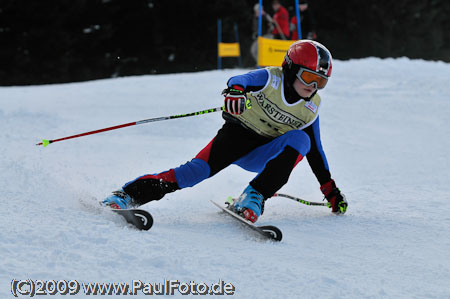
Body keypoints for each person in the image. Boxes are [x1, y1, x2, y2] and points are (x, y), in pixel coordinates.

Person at [103, 40, 348, 223]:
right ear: (291, 68)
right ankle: (127, 195)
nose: (313, 87)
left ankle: (254, 197)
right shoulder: (271, 78)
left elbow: (315, 149)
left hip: (263, 153)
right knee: (193, 173)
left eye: (321, 82)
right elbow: (239, 79)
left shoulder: (310, 107)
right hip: (236, 139)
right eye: (308, 77)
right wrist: (236, 92)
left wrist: (329, 189)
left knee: (302, 139)